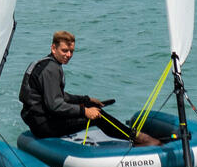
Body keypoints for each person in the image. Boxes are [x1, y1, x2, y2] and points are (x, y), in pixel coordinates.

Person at [18, 31, 162, 145]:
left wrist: (87, 100)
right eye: (64, 50)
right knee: (98, 116)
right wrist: (85, 111)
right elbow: (55, 105)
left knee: (91, 106)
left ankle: (128, 132)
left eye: (71, 51)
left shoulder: (43, 63)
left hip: (36, 120)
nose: (68, 55)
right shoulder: (52, 69)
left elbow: (58, 95)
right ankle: (136, 138)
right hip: (45, 127)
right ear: (53, 48)